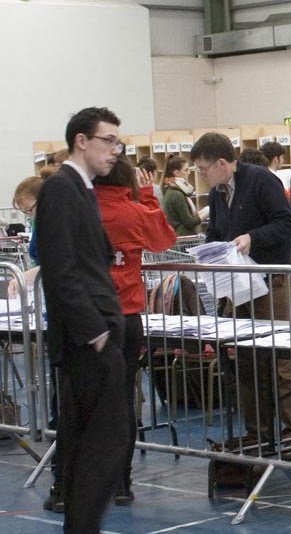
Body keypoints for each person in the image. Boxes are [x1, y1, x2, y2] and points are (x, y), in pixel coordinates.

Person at [37, 106, 129, 533]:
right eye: (108, 141)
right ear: (82, 141)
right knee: (104, 442)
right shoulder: (61, 189)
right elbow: (61, 268)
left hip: (96, 330)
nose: (116, 150)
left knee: (87, 441)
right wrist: (94, 333)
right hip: (88, 337)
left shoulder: (82, 188)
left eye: (118, 142)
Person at [192, 132, 291, 457]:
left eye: (204, 169)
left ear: (221, 163)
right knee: (243, 360)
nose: (201, 175)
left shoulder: (261, 181)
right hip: (237, 287)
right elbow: (217, 230)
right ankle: (258, 432)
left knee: (279, 359)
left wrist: (252, 238)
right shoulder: (217, 193)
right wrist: (207, 249)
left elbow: (287, 224)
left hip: (270, 283)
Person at [93, 153, 176, 506]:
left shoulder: (81, 211)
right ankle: (122, 482)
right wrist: (146, 195)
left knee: (82, 400)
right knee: (123, 400)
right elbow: (164, 240)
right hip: (126, 316)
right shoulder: (135, 212)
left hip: (89, 315)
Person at [161, 156, 202, 237]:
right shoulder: (177, 194)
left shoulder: (170, 190)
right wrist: (206, 213)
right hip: (182, 240)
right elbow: (189, 222)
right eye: (186, 170)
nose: (189, 173)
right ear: (176, 173)